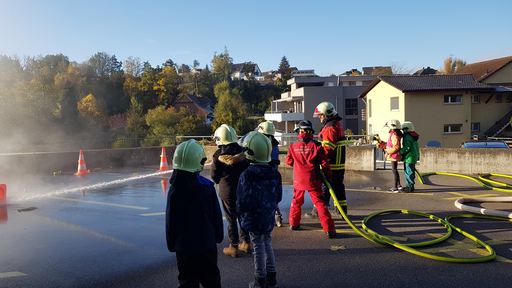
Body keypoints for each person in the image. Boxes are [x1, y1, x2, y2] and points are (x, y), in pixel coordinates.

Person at [166, 139, 223, 288]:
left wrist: (172, 244)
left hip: (184, 247)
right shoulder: (208, 188)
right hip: (207, 244)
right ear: (199, 162)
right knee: (211, 280)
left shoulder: (174, 189)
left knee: (187, 282)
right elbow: (216, 216)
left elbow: (170, 221)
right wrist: (218, 236)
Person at [237, 131, 282, 288]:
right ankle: (272, 278)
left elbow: (243, 200)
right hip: (268, 216)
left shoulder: (247, 175)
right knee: (267, 243)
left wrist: (240, 213)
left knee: (258, 247)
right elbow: (278, 197)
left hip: (253, 217)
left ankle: (260, 280)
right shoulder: (275, 173)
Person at [286, 120, 336, 238]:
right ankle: (329, 229)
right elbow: (324, 163)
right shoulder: (317, 145)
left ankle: (293, 224)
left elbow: (288, 162)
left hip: (298, 181)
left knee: (296, 202)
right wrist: (328, 175)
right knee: (319, 204)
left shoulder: (293, 146)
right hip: (313, 180)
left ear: (300, 131)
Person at [210, 124, 251, 257]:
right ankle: (247, 243)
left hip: (226, 192)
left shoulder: (217, 155)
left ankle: (233, 246)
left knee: (231, 219)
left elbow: (214, 177)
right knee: (243, 216)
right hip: (243, 189)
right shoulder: (244, 152)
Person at [307, 101, 347, 217]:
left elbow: (328, 148)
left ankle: (318, 213)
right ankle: (342, 211)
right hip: (338, 164)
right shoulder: (336, 124)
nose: (319, 117)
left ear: (327, 115)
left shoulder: (330, 127)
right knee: (338, 188)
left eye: (321, 115)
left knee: (324, 188)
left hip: (331, 164)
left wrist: (315, 151)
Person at [255, 120, 283, 227]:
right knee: (273, 198)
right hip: (273, 174)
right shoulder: (275, 144)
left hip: (263, 173)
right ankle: (277, 217)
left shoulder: (262, 144)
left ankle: (264, 218)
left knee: (261, 197)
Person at [378, 119, 404, 193]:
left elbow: (396, 147)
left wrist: (388, 152)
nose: (388, 129)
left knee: (394, 170)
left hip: (394, 155)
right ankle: (398, 185)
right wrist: (382, 144)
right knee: (394, 170)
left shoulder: (394, 135)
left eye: (389, 127)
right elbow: (390, 145)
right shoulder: (393, 134)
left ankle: (396, 186)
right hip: (394, 155)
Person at [399, 121, 420, 193]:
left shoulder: (407, 137)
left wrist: (399, 152)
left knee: (408, 172)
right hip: (413, 157)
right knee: (411, 172)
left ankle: (409, 187)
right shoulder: (413, 137)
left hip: (408, 157)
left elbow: (407, 147)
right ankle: (411, 186)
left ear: (406, 129)